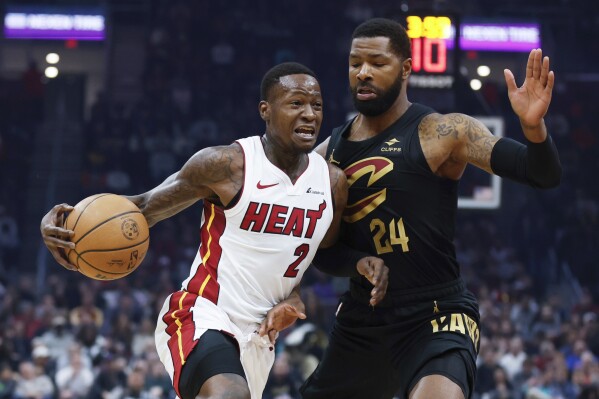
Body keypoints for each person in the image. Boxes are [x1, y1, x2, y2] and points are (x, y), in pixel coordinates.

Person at [40, 62, 388, 399]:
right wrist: (66, 225)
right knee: (229, 393)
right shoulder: (226, 165)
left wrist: (349, 267)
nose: (310, 114)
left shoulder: (331, 182)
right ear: (265, 110)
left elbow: (324, 253)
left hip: (259, 338)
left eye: (317, 105)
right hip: (202, 312)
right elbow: (143, 207)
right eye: (296, 103)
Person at [300, 18, 561, 399]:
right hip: (363, 319)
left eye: (377, 62)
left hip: (436, 313)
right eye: (355, 63)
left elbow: (541, 174)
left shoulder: (442, 132)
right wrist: (358, 263)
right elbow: (324, 252)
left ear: (406, 68)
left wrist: (534, 127)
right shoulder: (328, 153)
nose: (363, 73)